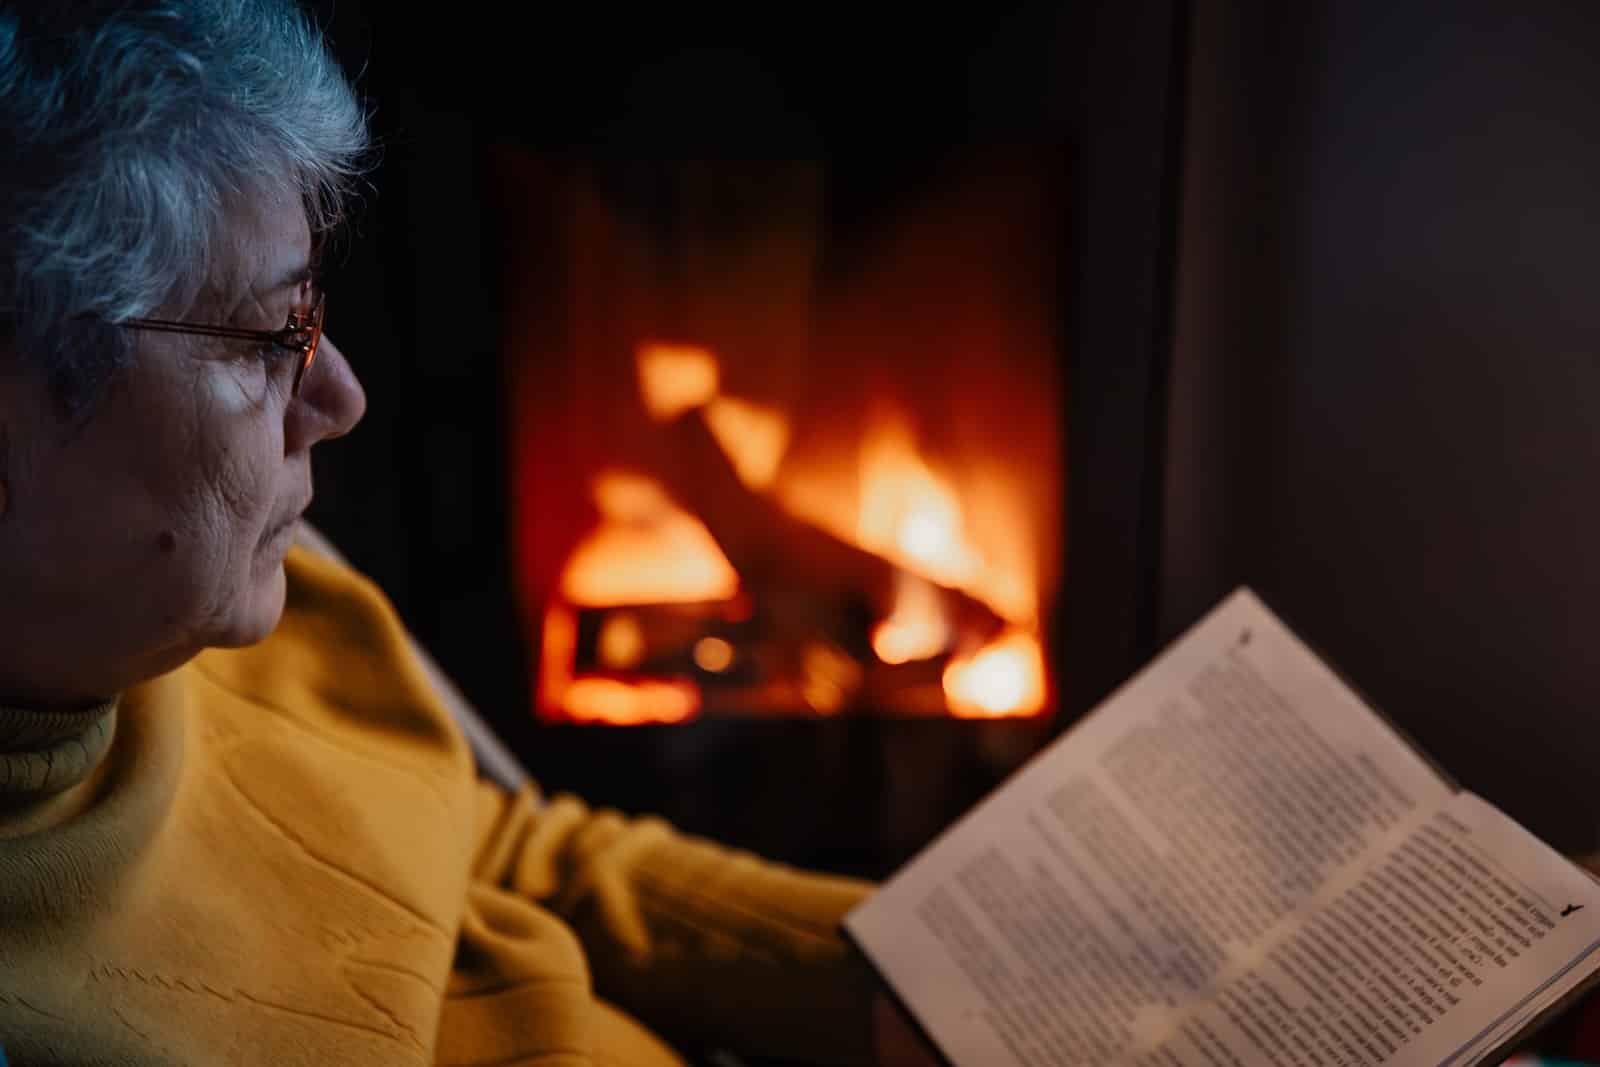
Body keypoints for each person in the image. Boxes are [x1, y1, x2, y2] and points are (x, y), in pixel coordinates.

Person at [0, 3, 936, 1063]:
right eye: (270, 335)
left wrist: (914, 967)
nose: (338, 398)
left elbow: (487, 842)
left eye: (314, 311)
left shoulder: (230, 622)